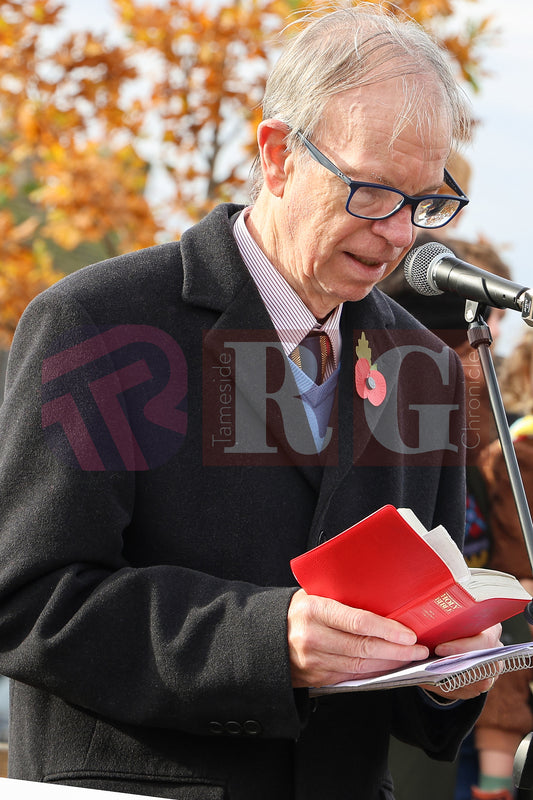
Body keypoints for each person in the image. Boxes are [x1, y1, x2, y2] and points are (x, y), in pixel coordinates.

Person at [0, 5, 501, 799]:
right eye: (372, 193)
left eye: (425, 200)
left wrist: (453, 674)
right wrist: (264, 641)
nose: (402, 234)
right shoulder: (98, 322)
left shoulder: (416, 365)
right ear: (276, 156)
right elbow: (26, 599)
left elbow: (419, 656)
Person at [380, 235, 513, 800]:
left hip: (466, 682)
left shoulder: (488, 435)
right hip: (391, 706)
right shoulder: (391, 424)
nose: (487, 349)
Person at [473, 328, 533, 800]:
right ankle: (494, 789)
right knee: (504, 678)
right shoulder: (517, 452)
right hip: (519, 593)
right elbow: (512, 532)